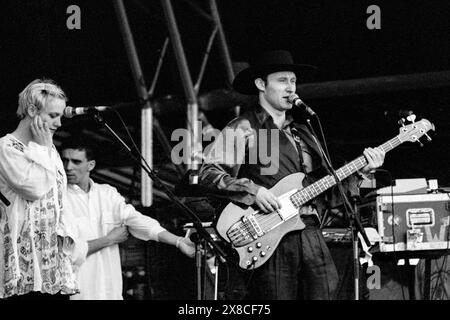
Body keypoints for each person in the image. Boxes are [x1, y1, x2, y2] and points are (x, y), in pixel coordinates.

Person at [198, 50, 386, 300]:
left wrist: (361, 172)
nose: (291, 88)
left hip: (309, 231)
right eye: (282, 81)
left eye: (294, 81)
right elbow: (208, 172)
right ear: (260, 84)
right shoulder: (244, 127)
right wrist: (253, 192)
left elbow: (326, 192)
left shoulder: (304, 133)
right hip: (269, 236)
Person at [60, 138, 196, 300]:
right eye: (65, 160)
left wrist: (178, 241)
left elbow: (137, 220)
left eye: (76, 162)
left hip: (111, 293)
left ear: (91, 165)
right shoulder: (57, 199)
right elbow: (68, 252)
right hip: (79, 294)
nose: (68, 167)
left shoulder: (107, 193)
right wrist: (109, 239)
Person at [0, 79, 79, 299]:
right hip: (23, 266)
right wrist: (43, 148)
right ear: (32, 110)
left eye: (60, 116)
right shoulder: (6, 147)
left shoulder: (48, 148)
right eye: (53, 115)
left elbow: (59, 196)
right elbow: (34, 188)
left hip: (52, 265)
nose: (59, 123)